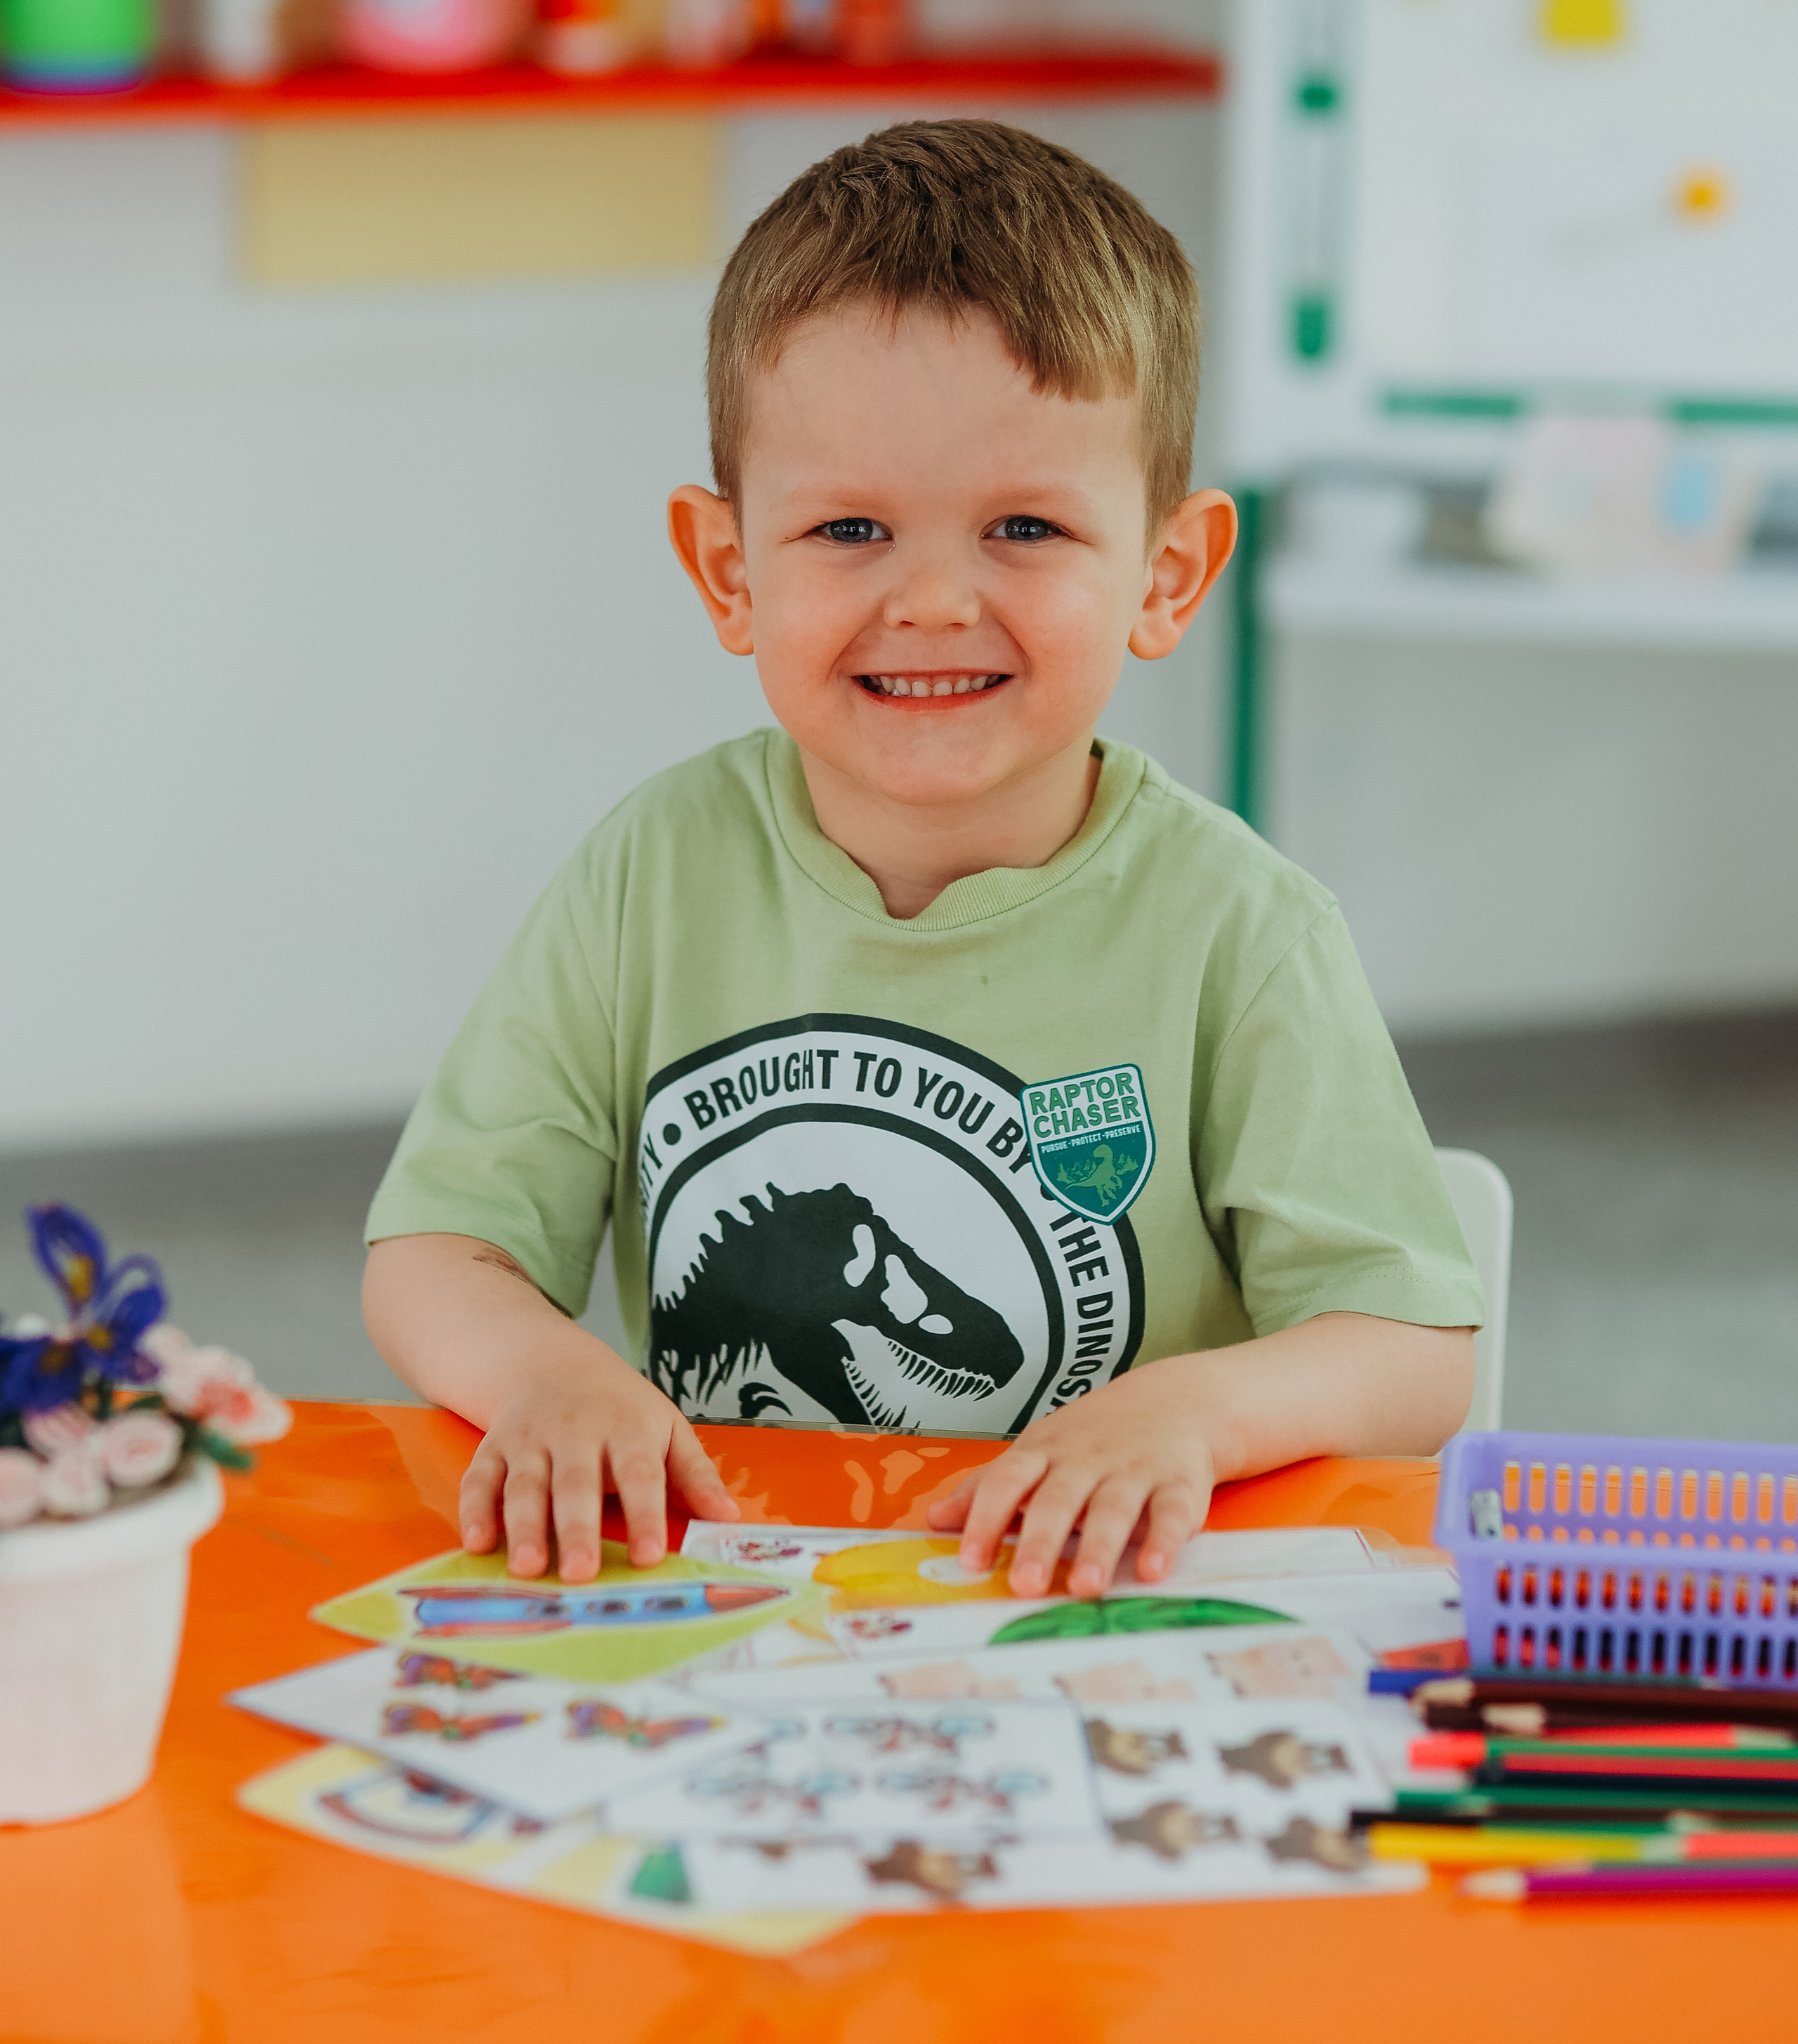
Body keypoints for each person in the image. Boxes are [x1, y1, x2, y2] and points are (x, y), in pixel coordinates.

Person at [362, 119, 1481, 1604]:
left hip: (1094, 1624)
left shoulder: (1238, 929)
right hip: (729, 1615)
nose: (936, 600)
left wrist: (1186, 1414)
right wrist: (544, 1379)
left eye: (1024, 526)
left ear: (1164, 574)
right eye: (849, 528)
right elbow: (436, 1252)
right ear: (728, 572)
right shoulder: (648, 872)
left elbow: (1409, 1349)